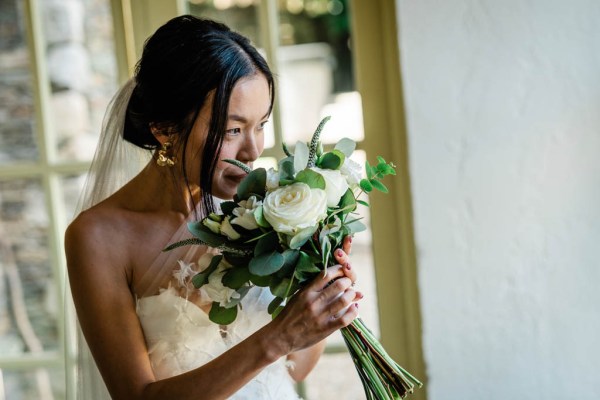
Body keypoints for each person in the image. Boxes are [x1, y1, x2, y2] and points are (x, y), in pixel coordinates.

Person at [64, 15, 362, 400]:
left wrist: (322, 303)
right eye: (232, 130)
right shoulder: (97, 238)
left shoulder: (264, 212)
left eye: (261, 125)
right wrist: (278, 335)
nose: (253, 151)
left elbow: (292, 368)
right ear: (164, 129)